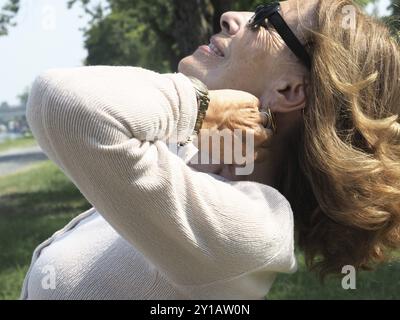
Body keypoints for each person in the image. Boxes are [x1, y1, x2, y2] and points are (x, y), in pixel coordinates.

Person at [21, 0, 400, 300]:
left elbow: (59, 104)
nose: (229, 17)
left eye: (264, 18)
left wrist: (202, 106)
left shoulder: (252, 229)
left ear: (289, 90)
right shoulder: (189, 159)